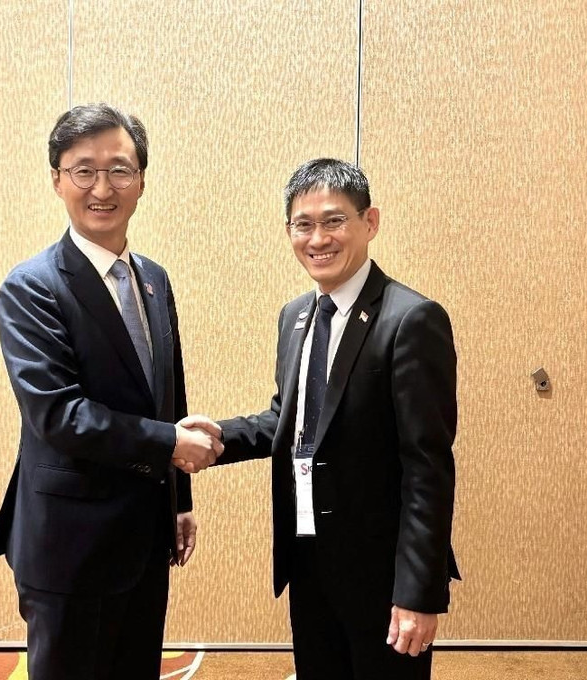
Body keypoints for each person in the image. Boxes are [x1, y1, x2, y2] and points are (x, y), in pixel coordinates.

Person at [0, 103, 223, 680]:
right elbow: (59, 415)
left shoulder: (153, 278)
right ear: (57, 179)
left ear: (141, 180)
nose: (102, 188)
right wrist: (170, 444)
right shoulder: (32, 287)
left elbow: (167, 394)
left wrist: (179, 500)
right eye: (83, 170)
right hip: (70, 545)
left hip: (144, 535)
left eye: (119, 170)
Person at [199, 158, 460, 679]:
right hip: (308, 557)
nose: (318, 238)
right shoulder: (296, 316)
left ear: (370, 222)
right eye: (303, 224)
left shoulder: (411, 319)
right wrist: (218, 437)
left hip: (381, 574)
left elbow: (427, 467)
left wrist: (418, 592)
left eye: (334, 220)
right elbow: (291, 420)